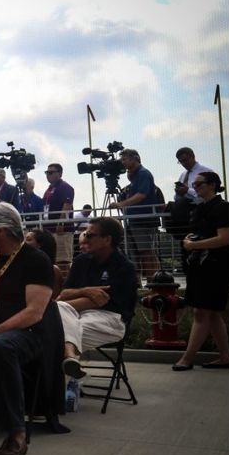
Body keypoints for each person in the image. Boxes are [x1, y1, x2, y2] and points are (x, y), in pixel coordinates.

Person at [0, 202, 56, 455]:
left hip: (29, 333)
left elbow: (34, 313)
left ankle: (17, 430)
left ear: (2, 230)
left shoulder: (35, 259)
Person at [56, 217, 138, 381]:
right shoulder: (80, 261)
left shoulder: (124, 267)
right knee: (58, 320)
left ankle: (60, 392)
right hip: (74, 314)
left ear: (107, 239)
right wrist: (86, 290)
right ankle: (70, 358)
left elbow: (99, 301)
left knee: (55, 335)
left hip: (110, 320)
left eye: (90, 235)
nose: (84, 238)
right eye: (85, 234)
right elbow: (63, 294)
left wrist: (63, 303)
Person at [173, 172, 229, 370]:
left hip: (216, 265)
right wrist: (191, 240)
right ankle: (225, 356)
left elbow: (224, 238)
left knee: (201, 311)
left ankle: (187, 358)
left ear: (213, 185)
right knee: (213, 313)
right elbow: (201, 233)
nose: (195, 188)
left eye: (199, 184)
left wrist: (194, 245)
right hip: (199, 265)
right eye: (194, 185)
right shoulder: (200, 208)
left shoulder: (223, 208)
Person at [113, 148, 160, 278]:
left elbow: (141, 194)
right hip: (134, 219)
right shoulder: (135, 176)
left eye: (125, 159)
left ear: (135, 158)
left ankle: (153, 281)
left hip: (143, 219)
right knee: (135, 253)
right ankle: (138, 281)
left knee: (146, 251)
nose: (123, 163)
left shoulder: (144, 174)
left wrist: (121, 204)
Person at [41, 163, 76, 270]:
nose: (48, 175)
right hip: (49, 228)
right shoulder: (49, 189)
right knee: (51, 258)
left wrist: (61, 223)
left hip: (61, 229)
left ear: (59, 173)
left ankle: (64, 283)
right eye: (47, 172)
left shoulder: (65, 187)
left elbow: (67, 206)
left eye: (51, 172)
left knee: (62, 259)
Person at [25, 229, 63, 299]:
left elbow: (54, 300)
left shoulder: (54, 270)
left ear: (40, 245)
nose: (23, 243)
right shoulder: (22, 266)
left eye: (28, 240)